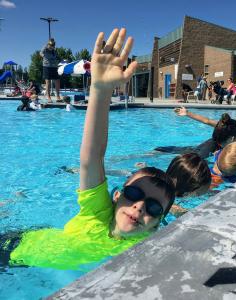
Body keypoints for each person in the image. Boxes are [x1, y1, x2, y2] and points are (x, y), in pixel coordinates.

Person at [2, 28, 177, 270]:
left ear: (157, 224)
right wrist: (101, 91)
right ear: (118, 195)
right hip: (13, 250)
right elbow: (92, 156)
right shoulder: (98, 211)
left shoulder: (143, 248)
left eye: (154, 207)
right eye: (134, 195)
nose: (140, 206)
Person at [40, 38, 61, 103]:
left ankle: (58, 96)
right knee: (48, 82)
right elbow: (40, 53)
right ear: (48, 44)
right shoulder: (45, 48)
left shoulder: (54, 50)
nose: (52, 47)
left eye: (53, 46)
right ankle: (48, 97)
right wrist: (43, 55)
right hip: (47, 66)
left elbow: (57, 56)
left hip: (54, 66)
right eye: (50, 45)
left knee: (57, 80)